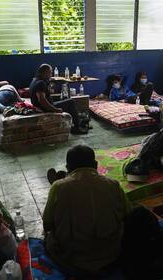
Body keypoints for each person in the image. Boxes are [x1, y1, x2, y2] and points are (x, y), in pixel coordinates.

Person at [43, 145, 131, 277]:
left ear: (68, 168)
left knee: (49, 236)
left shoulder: (58, 188)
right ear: (95, 165)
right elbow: (128, 215)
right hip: (111, 254)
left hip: (71, 259)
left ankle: (64, 179)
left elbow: (47, 224)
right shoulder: (113, 184)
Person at [29, 64, 88, 134]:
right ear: (45, 73)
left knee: (63, 98)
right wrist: (55, 109)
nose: (51, 74)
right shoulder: (40, 83)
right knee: (71, 102)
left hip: (41, 106)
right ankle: (77, 127)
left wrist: (49, 81)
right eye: (50, 72)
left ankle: (79, 122)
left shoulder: (35, 80)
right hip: (44, 108)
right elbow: (42, 101)